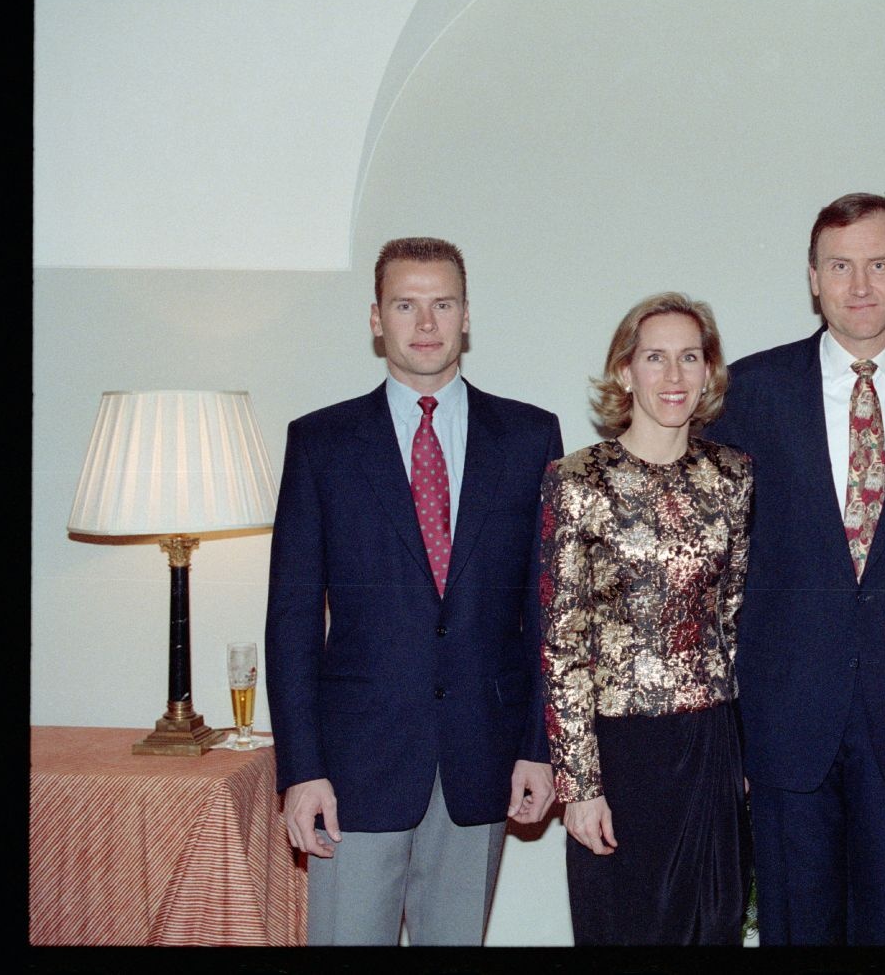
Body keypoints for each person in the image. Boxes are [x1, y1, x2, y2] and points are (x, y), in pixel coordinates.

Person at [704, 193, 885, 945]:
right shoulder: (747, 395)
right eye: (840, 267)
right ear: (813, 278)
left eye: (878, 265)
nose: (860, 285)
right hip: (784, 720)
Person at [265, 237, 563, 945]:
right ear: (376, 318)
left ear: (466, 317)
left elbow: (549, 612)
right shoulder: (321, 443)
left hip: (482, 760)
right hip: (355, 771)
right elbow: (292, 619)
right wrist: (301, 770)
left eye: (442, 304)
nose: (425, 324)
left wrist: (539, 747)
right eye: (406, 305)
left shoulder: (529, 437)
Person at [540, 292, 752, 945]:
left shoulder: (733, 476)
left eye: (690, 358)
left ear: (709, 373)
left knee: (712, 929)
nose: (674, 376)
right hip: (619, 751)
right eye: (655, 357)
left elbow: (736, 620)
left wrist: (745, 753)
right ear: (625, 372)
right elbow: (561, 642)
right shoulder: (576, 481)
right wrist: (579, 784)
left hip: (710, 745)